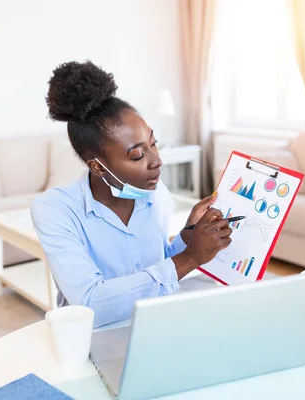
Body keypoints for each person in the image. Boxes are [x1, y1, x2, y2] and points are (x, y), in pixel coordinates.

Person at [31, 61, 232, 328]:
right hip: (96, 337)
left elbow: (156, 265)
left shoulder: (156, 194)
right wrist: (190, 257)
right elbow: (89, 303)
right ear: (97, 166)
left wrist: (189, 235)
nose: (156, 161)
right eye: (137, 155)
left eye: (153, 144)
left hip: (155, 323)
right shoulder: (55, 210)